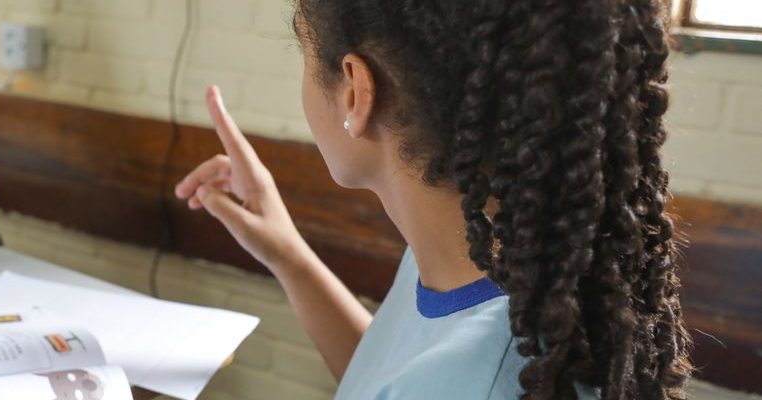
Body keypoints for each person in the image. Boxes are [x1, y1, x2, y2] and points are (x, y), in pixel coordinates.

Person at [175, 0, 691, 398]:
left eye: (305, 57)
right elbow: (392, 380)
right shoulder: (484, 248)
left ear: (357, 90)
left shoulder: (482, 371)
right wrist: (286, 253)